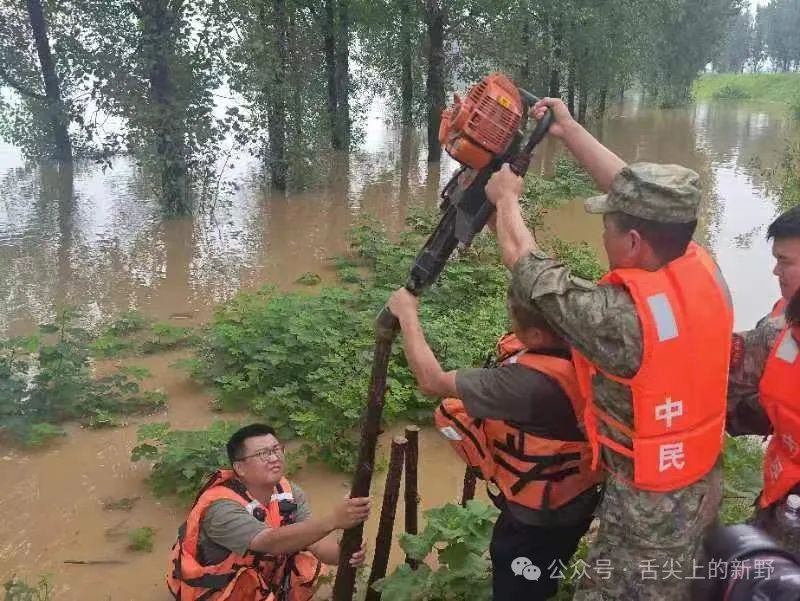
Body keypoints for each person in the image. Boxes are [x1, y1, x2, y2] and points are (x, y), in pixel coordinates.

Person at [483, 97, 734, 600]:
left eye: (608, 227)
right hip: (698, 485)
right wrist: (571, 131)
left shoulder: (619, 319)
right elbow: (646, 198)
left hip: (645, 512)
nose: (604, 235)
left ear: (635, 241)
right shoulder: (702, 269)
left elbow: (523, 262)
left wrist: (506, 199)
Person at [387, 285, 602, 600]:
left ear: (537, 336)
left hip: (537, 516)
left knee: (517, 588)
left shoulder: (525, 385)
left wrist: (407, 313)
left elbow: (432, 381)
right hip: (580, 497)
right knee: (543, 574)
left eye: (514, 320)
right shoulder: (592, 350)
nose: (510, 326)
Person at [167, 423, 371, 601]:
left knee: (306, 563)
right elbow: (268, 542)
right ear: (240, 468)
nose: (274, 457)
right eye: (263, 454)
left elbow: (315, 543)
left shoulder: (290, 493)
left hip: (261, 579)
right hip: (221, 590)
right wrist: (334, 520)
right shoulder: (221, 507)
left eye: (276, 449)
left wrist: (345, 552)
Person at [727, 207, 800, 552]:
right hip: (781, 493)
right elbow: (726, 369)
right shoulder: (782, 324)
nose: (775, 270)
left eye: (785, 261)